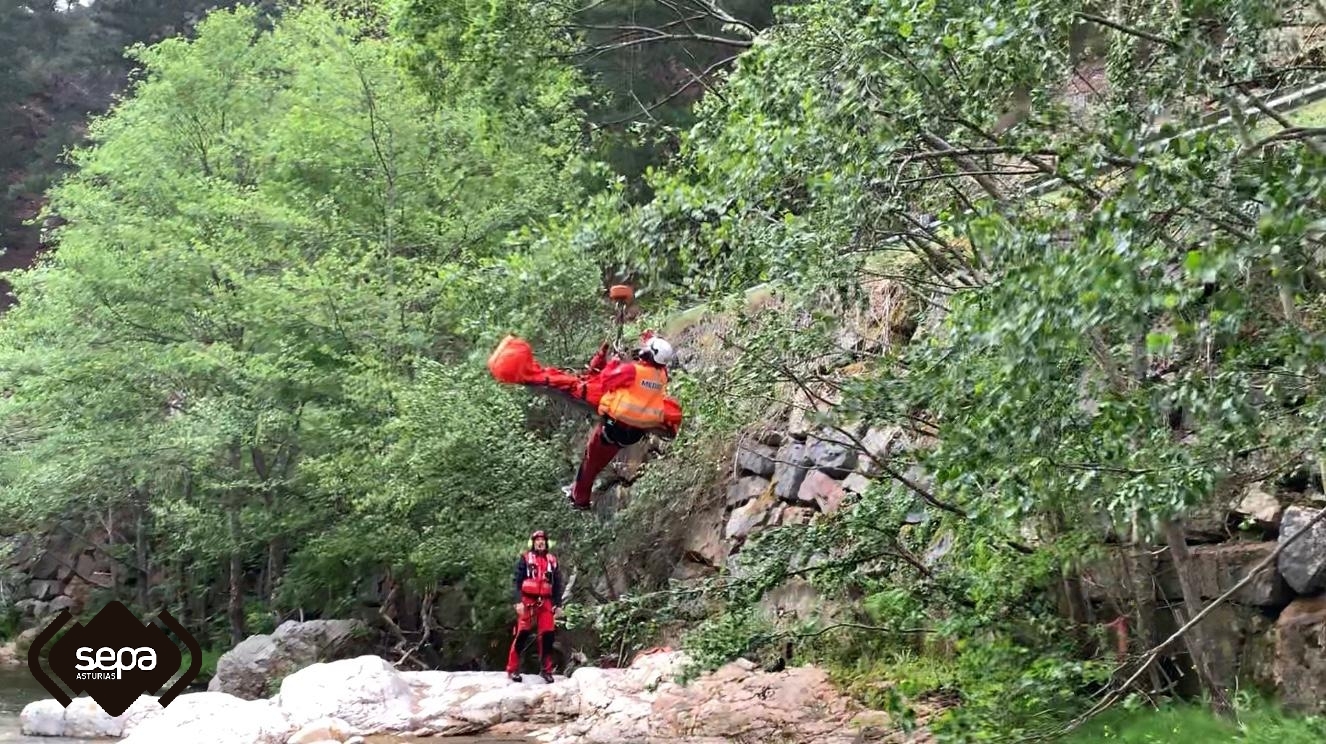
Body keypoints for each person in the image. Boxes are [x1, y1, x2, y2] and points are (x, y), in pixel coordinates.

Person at [563, 332, 676, 510]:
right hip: (631, 434)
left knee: (589, 462)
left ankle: (580, 499)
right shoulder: (661, 375)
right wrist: (650, 338)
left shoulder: (632, 371)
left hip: (612, 429)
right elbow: (656, 362)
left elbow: (605, 380)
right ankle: (580, 492)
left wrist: (614, 362)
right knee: (597, 462)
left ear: (649, 353)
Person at [507, 529, 564, 683]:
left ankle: (546, 670)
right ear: (533, 543)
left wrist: (558, 604)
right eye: (537, 540)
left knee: (547, 636)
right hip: (527, 601)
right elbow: (517, 581)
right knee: (522, 634)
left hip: (545, 602)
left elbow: (557, 584)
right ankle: (513, 669)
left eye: (543, 540)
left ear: (546, 543)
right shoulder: (525, 559)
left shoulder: (552, 561)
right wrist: (518, 601)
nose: (540, 542)